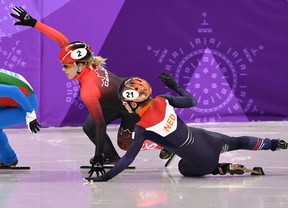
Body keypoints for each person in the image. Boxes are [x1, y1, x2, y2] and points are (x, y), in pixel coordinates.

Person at [10, 6, 172, 173]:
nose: (63, 70)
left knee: (125, 143)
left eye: (66, 66)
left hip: (130, 106)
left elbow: (101, 124)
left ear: (80, 65)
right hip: (116, 98)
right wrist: (34, 23)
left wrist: (97, 159)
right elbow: (62, 39)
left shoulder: (88, 89)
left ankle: (168, 144)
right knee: (89, 127)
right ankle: (110, 156)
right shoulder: (86, 61)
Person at [84, 72, 288, 182]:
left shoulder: (141, 126)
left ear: (133, 102)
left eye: (124, 101)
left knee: (182, 167)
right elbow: (191, 101)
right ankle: (274, 144)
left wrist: (106, 177)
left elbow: (128, 157)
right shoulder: (163, 100)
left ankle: (217, 168)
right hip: (209, 138)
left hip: (201, 161)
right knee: (237, 142)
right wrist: (174, 86)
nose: (123, 105)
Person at [0, 69, 41, 167]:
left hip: (25, 104)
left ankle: (9, 158)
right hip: (16, 96)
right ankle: (9, 159)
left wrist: (30, 113)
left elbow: (14, 91)